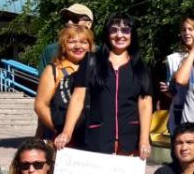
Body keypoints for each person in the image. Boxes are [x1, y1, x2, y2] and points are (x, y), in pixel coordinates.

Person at [55, 13, 152, 157]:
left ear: (132, 34)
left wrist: (144, 140)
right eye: (114, 30)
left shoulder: (141, 67)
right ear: (107, 34)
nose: (119, 35)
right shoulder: (91, 61)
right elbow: (78, 98)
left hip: (130, 142)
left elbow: (144, 104)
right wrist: (67, 132)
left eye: (125, 30)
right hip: (97, 139)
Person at [33, 25, 94, 143]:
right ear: (63, 46)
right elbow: (40, 106)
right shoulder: (53, 70)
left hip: (91, 136)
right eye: (71, 42)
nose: (78, 46)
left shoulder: (98, 69)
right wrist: (61, 130)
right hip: (60, 136)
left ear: (90, 46)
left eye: (83, 42)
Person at [160, 15, 194, 133]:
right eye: (184, 30)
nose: (187, 33)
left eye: (191, 29)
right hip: (179, 116)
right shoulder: (173, 59)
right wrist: (167, 90)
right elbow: (172, 93)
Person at [36, 3, 93, 75]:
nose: (69, 22)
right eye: (66, 19)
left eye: (75, 19)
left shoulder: (100, 53)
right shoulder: (51, 50)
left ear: (89, 24)